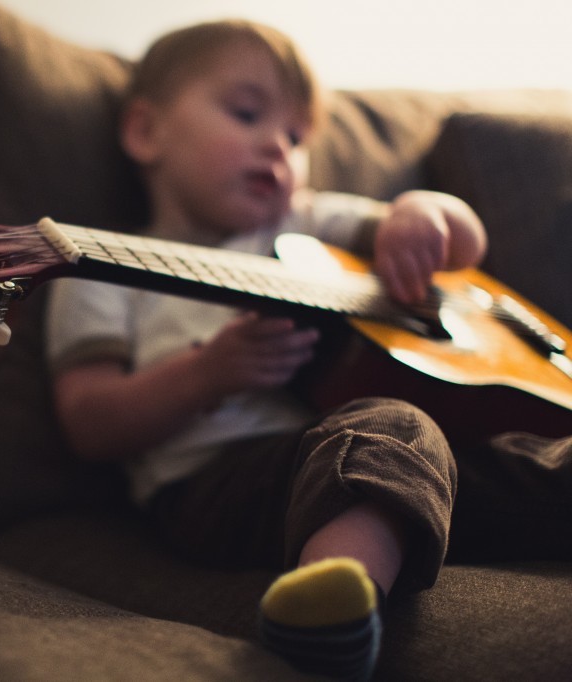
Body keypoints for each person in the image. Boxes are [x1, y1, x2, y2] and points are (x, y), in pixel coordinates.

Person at [45, 19, 572, 681]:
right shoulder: (95, 265)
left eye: (297, 137)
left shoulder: (305, 221)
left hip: (399, 467)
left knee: (537, 460)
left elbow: (462, 248)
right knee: (395, 425)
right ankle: (332, 610)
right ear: (146, 131)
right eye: (246, 113)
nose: (278, 145)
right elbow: (89, 423)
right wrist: (207, 373)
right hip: (216, 483)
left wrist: (421, 213)